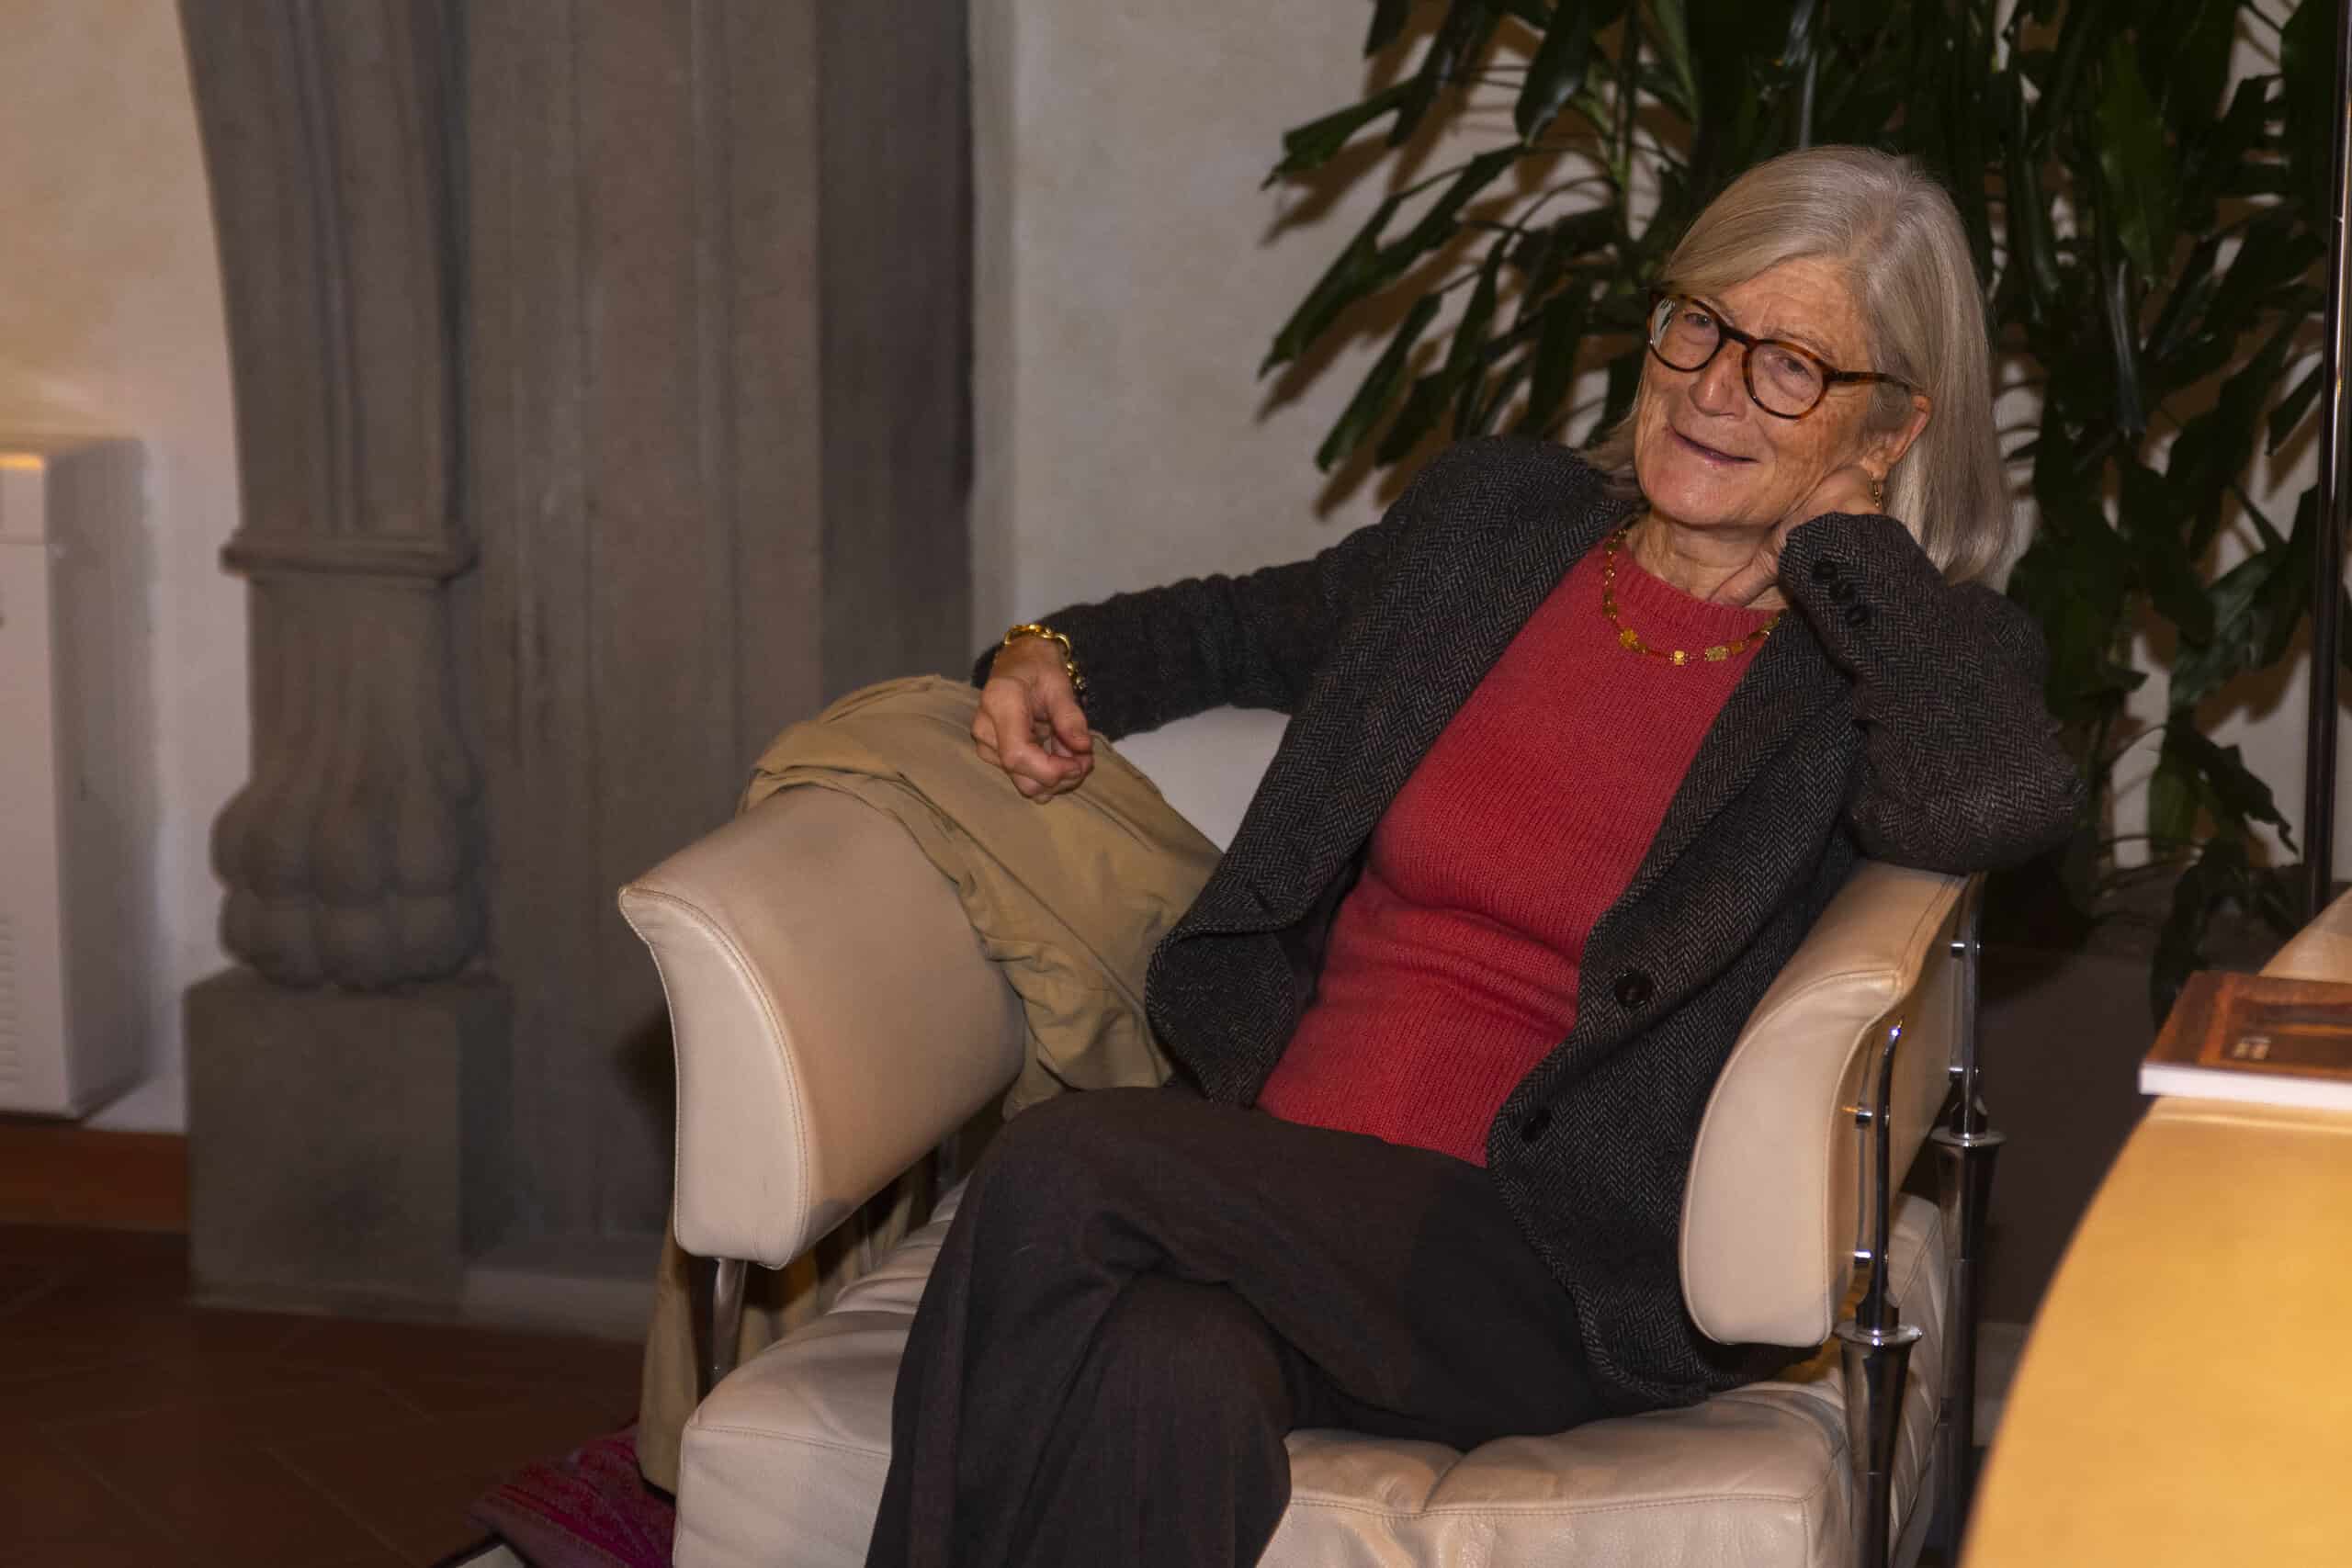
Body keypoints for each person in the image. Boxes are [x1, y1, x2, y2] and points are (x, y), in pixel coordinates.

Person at [863, 145, 2081, 1568]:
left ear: (1888, 428)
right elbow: (1248, 625)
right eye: (1700, 325)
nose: (1713, 387)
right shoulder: (1501, 525)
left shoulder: (1873, 663)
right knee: (1165, 1373)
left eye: (1792, 368)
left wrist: (1852, 555)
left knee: (1063, 1169)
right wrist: (1049, 652)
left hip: (1544, 1261)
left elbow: (1995, 803)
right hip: (1284, 1186)